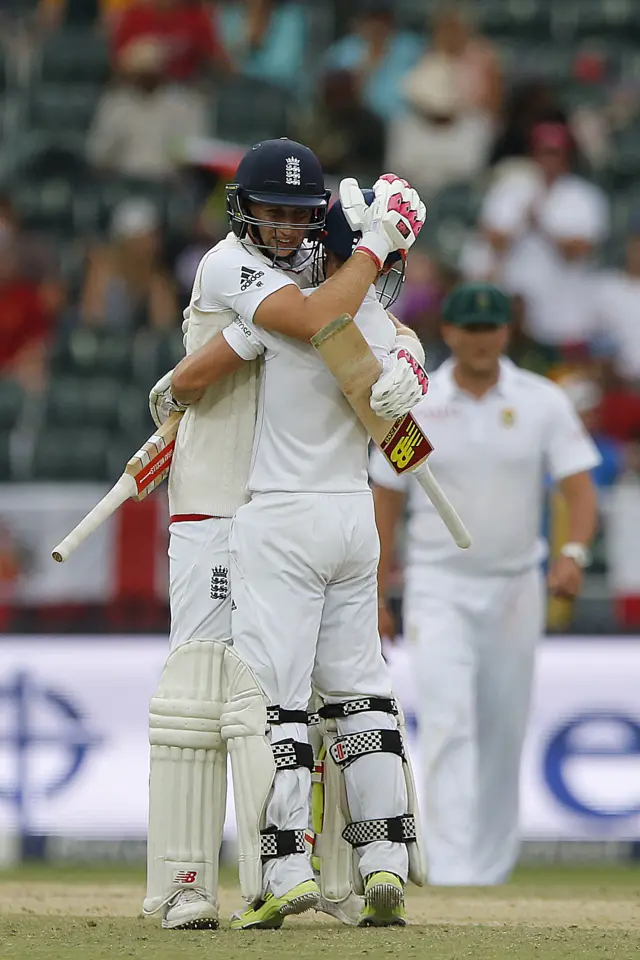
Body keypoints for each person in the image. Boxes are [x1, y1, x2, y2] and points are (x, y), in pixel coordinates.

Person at [142, 136, 425, 929]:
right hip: (215, 499)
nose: (286, 229)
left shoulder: (313, 287)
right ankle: (187, 882)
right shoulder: (229, 265)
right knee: (203, 696)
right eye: (271, 212)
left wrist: (409, 350)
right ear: (241, 210)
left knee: (288, 700)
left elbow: (326, 319)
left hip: (277, 508)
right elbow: (329, 322)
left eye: (302, 218)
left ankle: (311, 876)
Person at [370, 282, 600, 886]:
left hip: (514, 586)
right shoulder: (417, 402)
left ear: (506, 332)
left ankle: (490, 870)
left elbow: (578, 487)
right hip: (438, 584)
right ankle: (448, 868)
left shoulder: (540, 400)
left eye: (490, 327)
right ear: (448, 332)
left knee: (503, 727)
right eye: (469, 328)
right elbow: (387, 499)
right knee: (447, 721)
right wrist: (373, 589)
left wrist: (573, 551)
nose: (480, 338)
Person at [87, 38, 208, 181]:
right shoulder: (114, 104)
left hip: (170, 182)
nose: (147, 77)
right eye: (142, 71)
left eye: (152, 70)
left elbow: (195, 152)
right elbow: (97, 153)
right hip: (123, 180)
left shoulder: (184, 104)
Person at [80, 198, 178, 331]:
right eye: (145, 239)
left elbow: (165, 327)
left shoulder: (157, 280)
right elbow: (92, 323)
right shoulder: (102, 270)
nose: (152, 245)